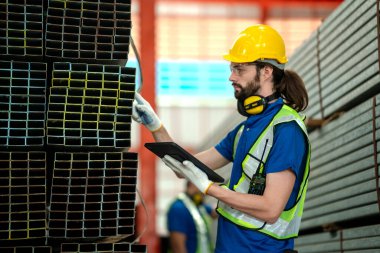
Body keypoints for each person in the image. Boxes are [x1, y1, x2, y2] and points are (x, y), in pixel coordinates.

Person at [132, 24, 310, 253]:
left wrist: (209, 188)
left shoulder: (286, 131)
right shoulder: (244, 129)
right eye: (231, 68)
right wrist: (155, 125)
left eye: (239, 69)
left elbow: (270, 208)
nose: (231, 77)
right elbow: (184, 167)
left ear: (266, 71)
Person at [166, 181, 216, 253]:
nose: (205, 194)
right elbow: (178, 248)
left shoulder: (198, 206)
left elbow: (215, 212)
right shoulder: (178, 208)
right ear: (193, 183)